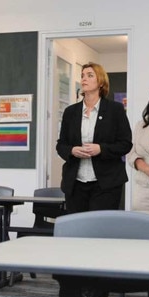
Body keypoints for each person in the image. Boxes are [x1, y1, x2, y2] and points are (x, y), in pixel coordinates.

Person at [56, 62, 132, 214]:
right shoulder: (70, 112)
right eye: (82, 75)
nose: (84, 79)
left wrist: (101, 149)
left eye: (90, 75)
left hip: (106, 183)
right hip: (75, 183)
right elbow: (61, 145)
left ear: (101, 82)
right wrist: (72, 151)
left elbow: (125, 144)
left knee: (99, 230)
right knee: (77, 229)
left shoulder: (115, 109)